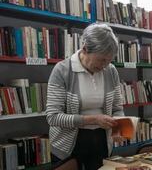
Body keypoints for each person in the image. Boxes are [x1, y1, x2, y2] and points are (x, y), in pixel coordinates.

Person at [46, 23, 124, 170]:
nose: (105, 65)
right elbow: (53, 117)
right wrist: (93, 119)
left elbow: (117, 107)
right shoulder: (62, 70)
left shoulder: (111, 71)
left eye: (109, 60)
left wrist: (119, 127)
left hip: (101, 142)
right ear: (85, 49)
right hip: (68, 146)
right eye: (102, 60)